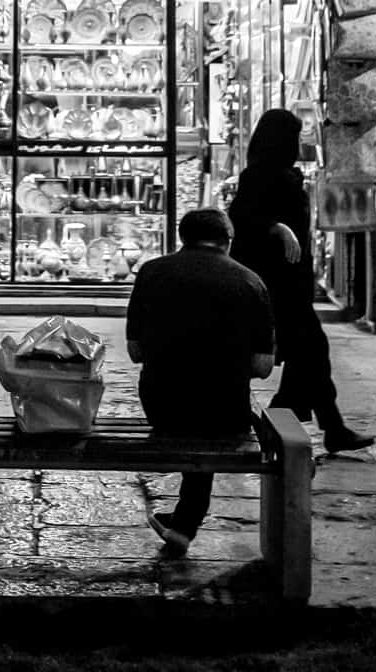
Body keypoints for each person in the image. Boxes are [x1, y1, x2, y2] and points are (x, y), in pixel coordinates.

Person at [126, 206, 275, 556]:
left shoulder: (150, 272)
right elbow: (263, 365)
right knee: (213, 409)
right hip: (223, 410)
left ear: (182, 238)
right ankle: (185, 521)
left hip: (162, 405)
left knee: (191, 410)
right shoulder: (251, 281)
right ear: (228, 241)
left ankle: (184, 522)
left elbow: (135, 351)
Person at [228, 108, 373, 458]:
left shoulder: (283, 175)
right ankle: (307, 421)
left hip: (291, 282)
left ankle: (298, 419)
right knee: (310, 353)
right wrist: (276, 227)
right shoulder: (259, 176)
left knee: (307, 356)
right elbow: (241, 217)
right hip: (273, 284)